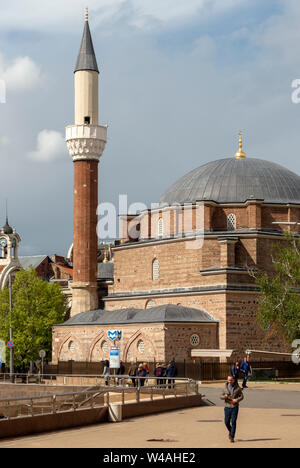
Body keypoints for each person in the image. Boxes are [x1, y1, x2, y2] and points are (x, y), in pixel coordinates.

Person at [220, 375, 244, 443]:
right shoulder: (224, 387)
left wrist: (236, 400)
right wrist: (225, 396)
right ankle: (231, 431)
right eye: (228, 380)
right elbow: (220, 396)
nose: (230, 381)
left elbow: (242, 396)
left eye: (231, 380)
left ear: (233, 380)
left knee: (233, 422)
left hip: (234, 407)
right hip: (227, 407)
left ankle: (232, 437)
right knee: (226, 422)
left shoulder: (237, 388)